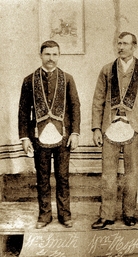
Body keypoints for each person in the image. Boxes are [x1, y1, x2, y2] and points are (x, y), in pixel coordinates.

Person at [91, 32, 138, 229]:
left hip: (134, 128)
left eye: (125, 43)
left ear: (134, 46)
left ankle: (129, 213)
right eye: (118, 43)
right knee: (108, 175)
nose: (121, 47)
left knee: (132, 174)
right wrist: (96, 128)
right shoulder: (106, 70)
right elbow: (97, 101)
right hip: (109, 128)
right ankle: (106, 215)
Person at [18, 40, 81, 229]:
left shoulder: (67, 78)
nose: (51, 58)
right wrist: (24, 137)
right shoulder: (29, 80)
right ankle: (44, 215)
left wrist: (75, 133)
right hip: (38, 136)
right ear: (40, 55)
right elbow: (23, 111)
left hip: (63, 136)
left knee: (63, 177)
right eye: (47, 54)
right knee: (42, 177)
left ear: (59, 56)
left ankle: (65, 215)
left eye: (54, 54)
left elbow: (75, 107)